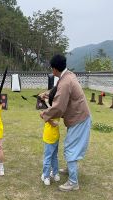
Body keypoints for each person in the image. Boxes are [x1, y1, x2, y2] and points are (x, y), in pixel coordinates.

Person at [40, 54, 91, 192]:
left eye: (51, 68)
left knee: (70, 148)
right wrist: (47, 93)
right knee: (71, 146)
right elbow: (58, 91)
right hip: (79, 117)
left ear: (54, 69)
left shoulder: (65, 81)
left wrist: (44, 114)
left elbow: (58, 107)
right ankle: (70, 169)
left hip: (79, 119)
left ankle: (73, 182)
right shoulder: (68, 75)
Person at [40, 86, 61, 186]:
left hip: (49, 137)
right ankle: (56, 174)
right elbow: (50, 106)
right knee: (54, 156)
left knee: (47, 157)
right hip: (56, 136)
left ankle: (46, 176)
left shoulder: (49, 111)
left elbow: (43, 114)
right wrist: (46, 100)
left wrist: (43, 115)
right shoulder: (58, 108)